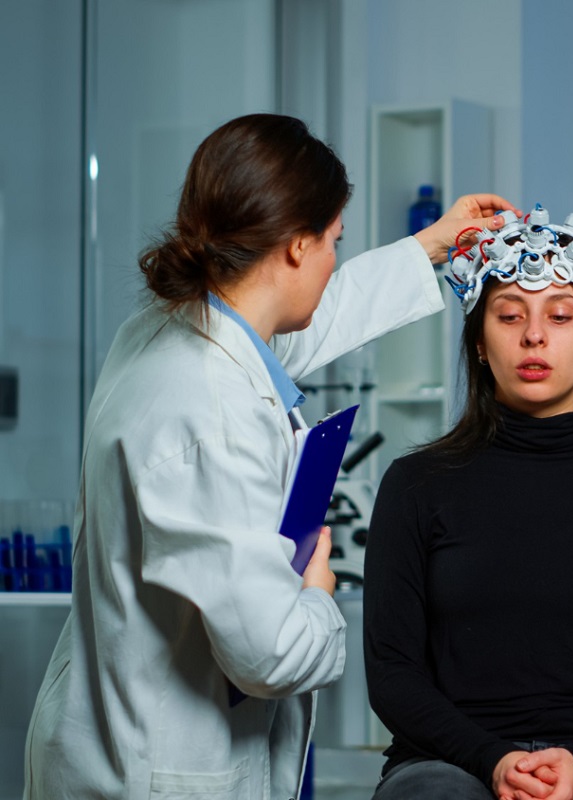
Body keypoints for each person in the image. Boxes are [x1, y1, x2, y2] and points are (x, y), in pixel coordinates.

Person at [22, 112, 515, 800]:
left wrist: (429, 248)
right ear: (294, 246)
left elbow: (304, 324)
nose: (334, 261)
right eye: (333, 241)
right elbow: (271, 654)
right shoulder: (211, 410)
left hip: (107, 739)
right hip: (159, 773)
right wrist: (320, 590)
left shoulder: (167, 331)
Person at [364, 204, 573, 800]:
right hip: (449, 757)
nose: (534, 334)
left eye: (561, 315)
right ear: (481, 347)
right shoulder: (416, 485)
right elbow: (392, 673)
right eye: (510, 316)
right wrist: (492, 761)